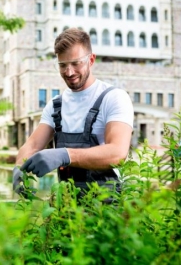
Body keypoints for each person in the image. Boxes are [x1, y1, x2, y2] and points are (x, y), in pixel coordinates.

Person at [13, 28, 134, 199]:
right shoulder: (56, 105)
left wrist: (65, 155)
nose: (69, 72)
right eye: (62, 65)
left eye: (76, 63)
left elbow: (117, 153)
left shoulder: (114, 98)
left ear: (91, 60)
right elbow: (32, 146)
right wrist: (19, 167)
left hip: (106, 209)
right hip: (67, 206)